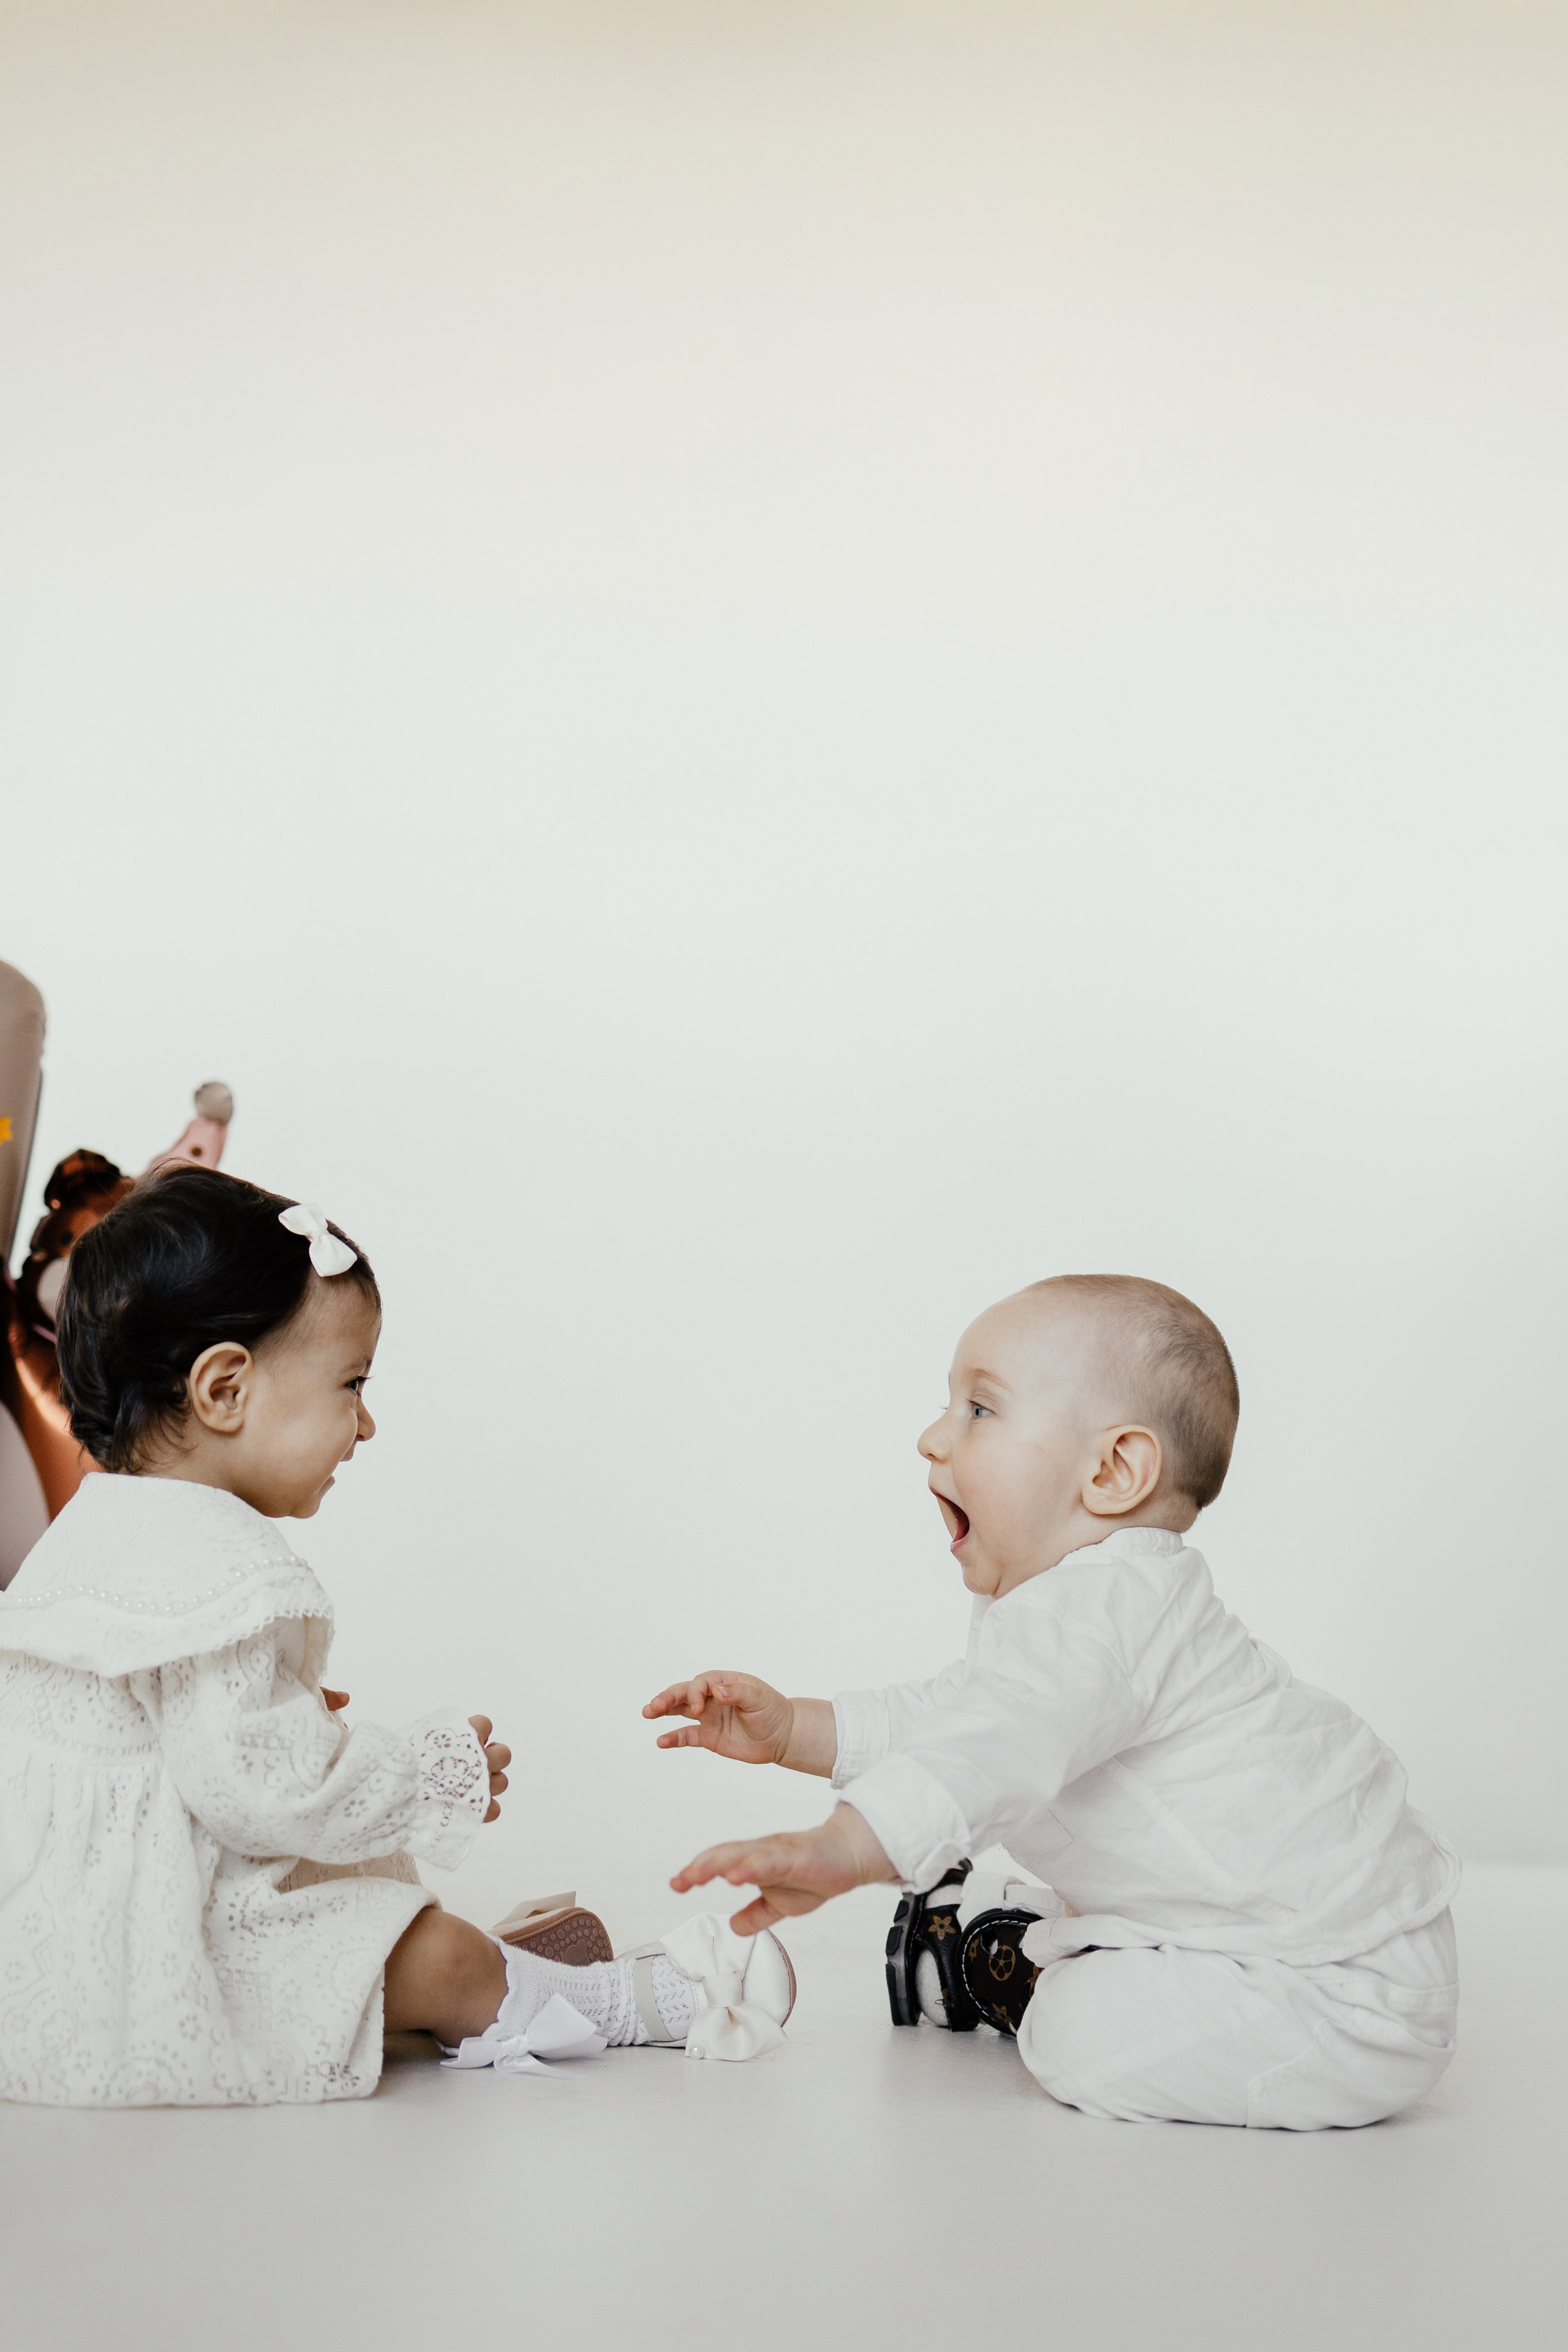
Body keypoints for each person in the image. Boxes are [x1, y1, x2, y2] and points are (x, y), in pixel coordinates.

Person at [0, 1166, 793, 2106]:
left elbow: (157, 1759)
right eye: (351, 1382)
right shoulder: (222, 1558)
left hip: (43, 1949)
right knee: (436, 1950)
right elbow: (268, 1793)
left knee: (353, 1919)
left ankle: (456, 1986)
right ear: (223, 1389)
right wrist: (422, 1772)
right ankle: (606, 2001)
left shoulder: (89, 1533)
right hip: (148, 1968)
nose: (366, 1424)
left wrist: (282, 1710)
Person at [647, 1275, 1460, 2130]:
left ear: (1112, 1470)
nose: (933, 1437)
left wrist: (846, 1847)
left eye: (980, 1410)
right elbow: (959, 1715)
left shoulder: (1104, 1615)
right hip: (1291, 1938)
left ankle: (1015, 1963)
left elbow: (988, 1743)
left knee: (1070, 2035)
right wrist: (797, 1731)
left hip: (1341, 1999)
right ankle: (1012, 1940)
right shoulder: (1094, 1608)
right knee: (1103, 1983)